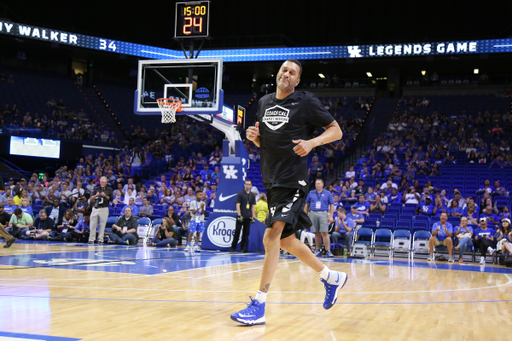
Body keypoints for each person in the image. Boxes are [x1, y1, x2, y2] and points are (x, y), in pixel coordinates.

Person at [231, 59, 347, 326]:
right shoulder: (264, 102)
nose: (287, 74)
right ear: (278, 74)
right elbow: (268, 143)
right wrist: (254, 138)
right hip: (272, 180)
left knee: (271, 238)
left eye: (292, 73)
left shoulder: (306, 101)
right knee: (285, 242)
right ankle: (331, 277)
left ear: (297, 81)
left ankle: (259, 304)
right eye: (284, 70)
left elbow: (336, 131)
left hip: (293, 181)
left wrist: (312, 143)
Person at [304, 179, 335, 257]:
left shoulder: (327, 193)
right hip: (313, 213)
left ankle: (328, 250)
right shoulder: (311, 193)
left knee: (325, 232)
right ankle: (318, 250)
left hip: (323, 213)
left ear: (322, 184)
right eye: (316, 184)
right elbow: (307, 204)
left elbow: (332, 204)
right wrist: (305, 214)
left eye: (318, 184)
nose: (317, 185)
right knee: (316, 233)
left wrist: (331, 216)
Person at [230, 180, 257, 253]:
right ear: (244, 185)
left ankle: (243, 248)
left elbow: (253, 206)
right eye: (246, 184)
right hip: (241, 216)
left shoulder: (252, 195)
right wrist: (239, 215)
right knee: (237, 232)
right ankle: (233, 247)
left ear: (251, 185)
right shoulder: (240, 194)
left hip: (248, 217)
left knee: (246, 233)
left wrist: (253, 216)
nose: (248, 186)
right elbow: (238, 205)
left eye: (249, 184)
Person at [88, 176, 113, 244]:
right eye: (101, 182)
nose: (102, 183)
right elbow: (91, 198)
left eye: (103, 182)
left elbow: (111, 199)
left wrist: (104, 195)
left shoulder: (109, 189)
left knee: (102, 224)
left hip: (104, 208)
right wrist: (96, 195)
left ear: (106, 182)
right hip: (95, 208)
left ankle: (100, 239)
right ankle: (91, 239)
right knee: (92, 224)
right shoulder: (96, 188)